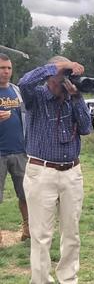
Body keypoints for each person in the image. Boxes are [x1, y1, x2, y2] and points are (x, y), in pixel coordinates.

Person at [18, 56, 92, 284]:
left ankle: (68, 279)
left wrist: (77, 96)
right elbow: (24, 83)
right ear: (51, 74)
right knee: (41, 235)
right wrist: (59, 67)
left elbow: (86, 128)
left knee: (71, 233)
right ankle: (40, 280)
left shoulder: (72, 98)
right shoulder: (37, 96)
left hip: (71, 172)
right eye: (64, 74)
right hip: (42, 171)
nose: (67, 78)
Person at [0, 53, 29, 244]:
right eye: (2, 68)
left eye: (9, 68)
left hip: (19, 151)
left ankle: (28, 229)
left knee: (25, 194)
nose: (6, 72)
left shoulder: (17, 91)